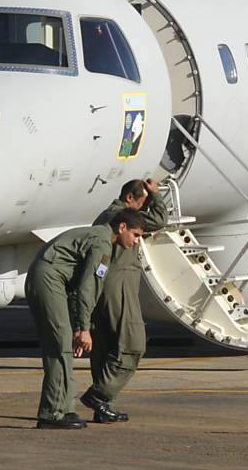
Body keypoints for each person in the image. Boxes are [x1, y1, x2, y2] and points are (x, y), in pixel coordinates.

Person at [25, 210, 146, 429]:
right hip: (49, 280)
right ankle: (52, 414)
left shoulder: (100, 237)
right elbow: (87, 288)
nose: (137, 241)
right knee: (60, 347)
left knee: (64, 347)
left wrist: (79, 326)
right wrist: (83, 328)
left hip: (54, 282)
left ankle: (65, 408)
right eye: (136, 235)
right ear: (122, 228)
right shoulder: (102, 244)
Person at [81, 178, 167, 423]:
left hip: (104, 281)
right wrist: (157, 196)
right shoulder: (122, 215)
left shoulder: (106, 214)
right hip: (118, 284)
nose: (142, 209)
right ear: (130, 197)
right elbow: (159, 221)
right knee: (133, 343)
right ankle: (99, 396)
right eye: (143, 201)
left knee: (105, 348)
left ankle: (104, 408)